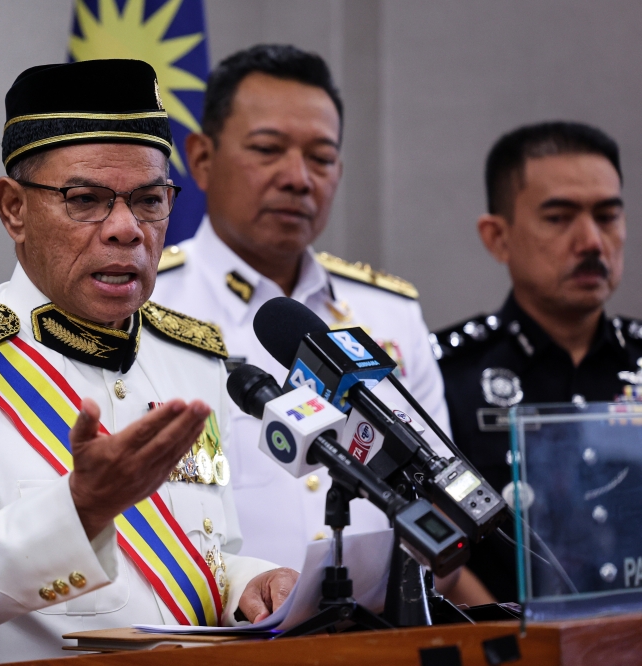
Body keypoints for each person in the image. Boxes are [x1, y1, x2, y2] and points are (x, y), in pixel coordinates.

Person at [0, 59, 299, 665]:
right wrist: (79, 509)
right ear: (13, 208)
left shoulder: (192, 359)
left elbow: (205, 554)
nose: (126, 229)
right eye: (86, 199)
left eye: (149, 200)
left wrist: (244, 584)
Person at [150, 45, 453, 571]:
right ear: (200, 158)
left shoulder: (388, 315)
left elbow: (441, 508)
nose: (298, 178)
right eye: (268, 149)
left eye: (321, 157)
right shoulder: (146, 306)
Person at [434, 121, 641, 602]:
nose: (591, 241)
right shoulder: (448, 375)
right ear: (497, 237)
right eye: (559, 217)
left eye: (607, 216)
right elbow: (434, 551)